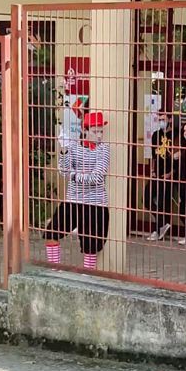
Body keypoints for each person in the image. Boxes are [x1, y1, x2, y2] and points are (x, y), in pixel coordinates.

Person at [44, 111, 111, 270]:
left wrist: (74, 175)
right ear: (85, 131)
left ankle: (87, 274)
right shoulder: (73, 147)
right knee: (51, 233)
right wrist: (64, 150)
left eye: (101, 131)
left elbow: (97, 177)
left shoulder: (104, 149)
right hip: (72, 200)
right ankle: (55, 268)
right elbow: (63, 170)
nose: (99, 135)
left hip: (96, 203)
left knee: (91, 245)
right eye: (95, 131)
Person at [146, 111, 175, 241]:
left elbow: (179, 158)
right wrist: (152, 171)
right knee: (147, 199)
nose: (161, 122)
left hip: (169, 174)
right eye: (159, 119)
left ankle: (158, 230)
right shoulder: (156, 135)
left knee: (164, 203)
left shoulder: (176, 135)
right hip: (157, 173)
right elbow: (153, 155)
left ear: (170, 119)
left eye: (163, 119)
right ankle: (162, 225)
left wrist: (171, 173)